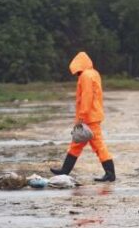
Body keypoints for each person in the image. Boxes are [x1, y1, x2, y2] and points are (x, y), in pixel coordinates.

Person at [50, 51, 116, 182]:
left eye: (77, 72)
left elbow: (87, 97)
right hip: (93, 115)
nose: (77, 74)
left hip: (89, 117)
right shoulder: (94, 73)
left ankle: (110, 173)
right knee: (77, 144)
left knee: (97, 146)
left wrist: (81, 116)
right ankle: (65, 171)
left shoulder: (85, 76)